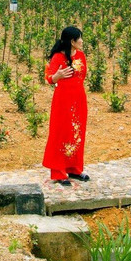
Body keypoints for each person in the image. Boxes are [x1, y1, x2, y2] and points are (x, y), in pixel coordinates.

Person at [43, 26, 89, 184]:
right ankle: (58, 171)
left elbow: (83, 76)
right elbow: (49, 78)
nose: (82, 41)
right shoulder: (58, 57)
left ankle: (74, 168)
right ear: (72, 41)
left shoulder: (81, 56)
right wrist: (57, 76)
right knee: (61, 133)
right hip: (62, 101)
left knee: (77, 132)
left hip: (79, 100)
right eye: (79, 38)